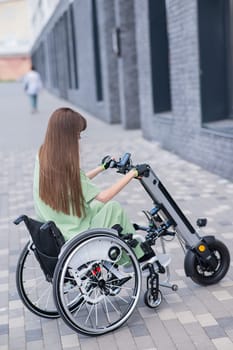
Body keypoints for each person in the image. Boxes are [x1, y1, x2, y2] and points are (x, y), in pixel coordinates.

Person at [33, 107, 154, 262]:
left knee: (97, 207)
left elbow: (75, 183)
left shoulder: (43, 155)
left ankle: (123, 253)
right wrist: (133, 173)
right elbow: (103, 196)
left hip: (59, 228)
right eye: (77, 135)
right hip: (74, 234)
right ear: (67, 136)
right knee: (113, 208)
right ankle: (137, 258)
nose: (79, 139)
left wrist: (101, 168)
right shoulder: (65, 167)